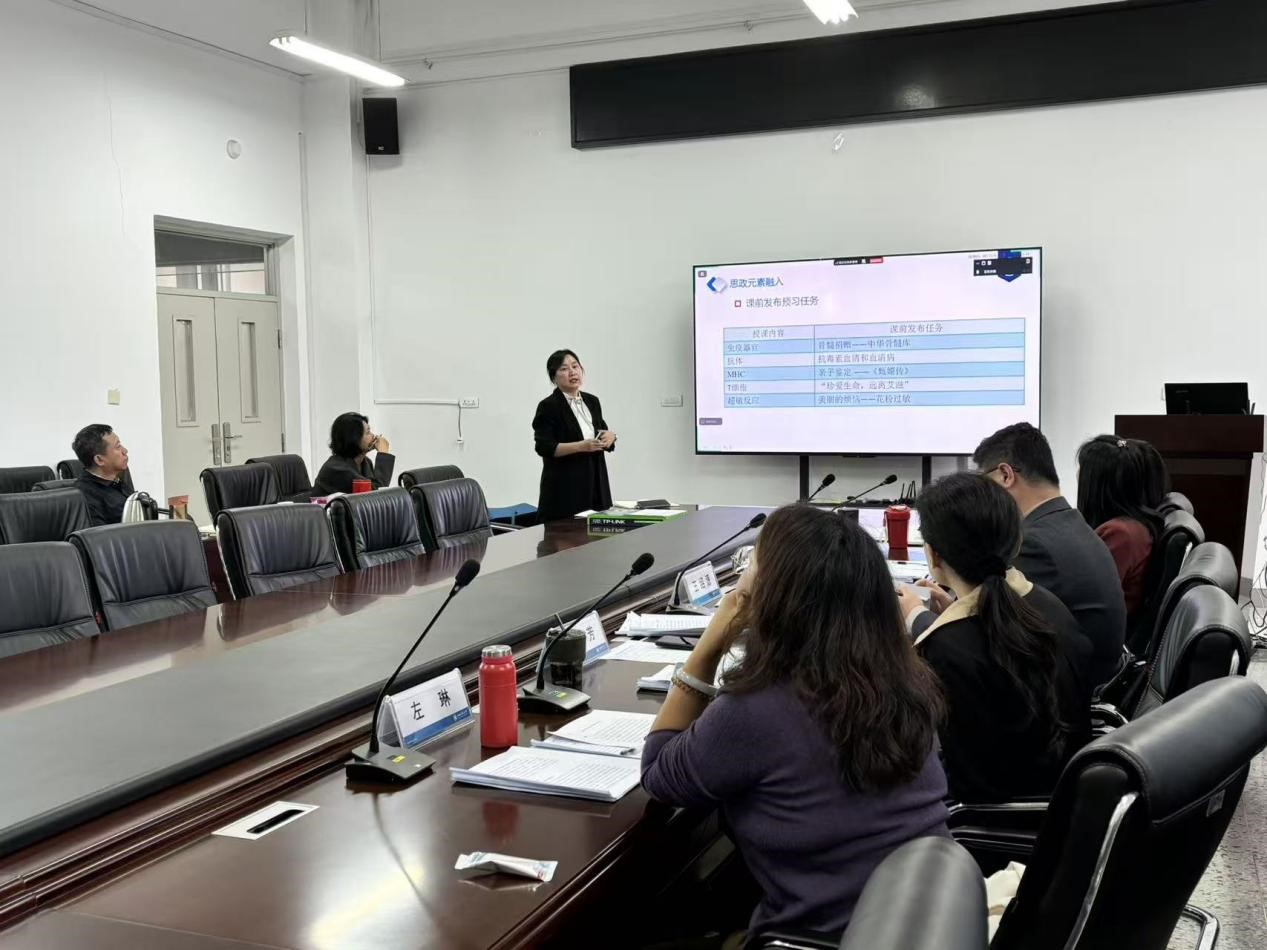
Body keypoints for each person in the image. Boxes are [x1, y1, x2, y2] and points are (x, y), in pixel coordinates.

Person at [642, 505, 949, 942]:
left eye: (752, 565)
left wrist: (708, 647)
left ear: (772, 597)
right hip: (930, 926)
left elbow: (659, 775)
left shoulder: (755, 710)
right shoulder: (908, 681)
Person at [899, 473, 1092, 803]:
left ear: (933, 555)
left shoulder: (946, 647)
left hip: (986, 819)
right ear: (1014, 542)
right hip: (1064, 798)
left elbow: (957, 774)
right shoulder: (1048, 605)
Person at [906, 423, 1126, 690]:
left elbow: (981, 650)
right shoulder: (1068, 523)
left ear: (1005, 475)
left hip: (1060, 694)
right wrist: (955, 607)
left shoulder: (1034, 544)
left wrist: (918, 616)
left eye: (983, 481)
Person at [1076, 435, 1165, 620]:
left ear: (1096, 484)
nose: (1078, 476)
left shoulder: (1120, 534)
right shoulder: (1133, 527)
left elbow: (1086, 597)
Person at [532, 349, 616, 521]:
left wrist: (611, 436)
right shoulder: (548, 406)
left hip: (596, 482)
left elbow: (601, 430)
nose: (572, 372)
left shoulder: (592, 401)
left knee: (598, 533)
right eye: (564, 369)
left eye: (575, 366)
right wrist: (581, 446)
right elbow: (544, 447)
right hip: (565, 487)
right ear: (554, 377)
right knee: (568, 535)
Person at [313, 412, 395, 495]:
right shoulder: (337, 469)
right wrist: (383, 453)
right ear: (353, 438)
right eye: (368, 432)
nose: (373, 436)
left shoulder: (366, 462)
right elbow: (377, 494)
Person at [72, 424, 133, 526]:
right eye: (118, 446)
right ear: (99, 460)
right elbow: (101, 534)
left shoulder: (117, 479)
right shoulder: (84, 497)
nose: (125, 451)